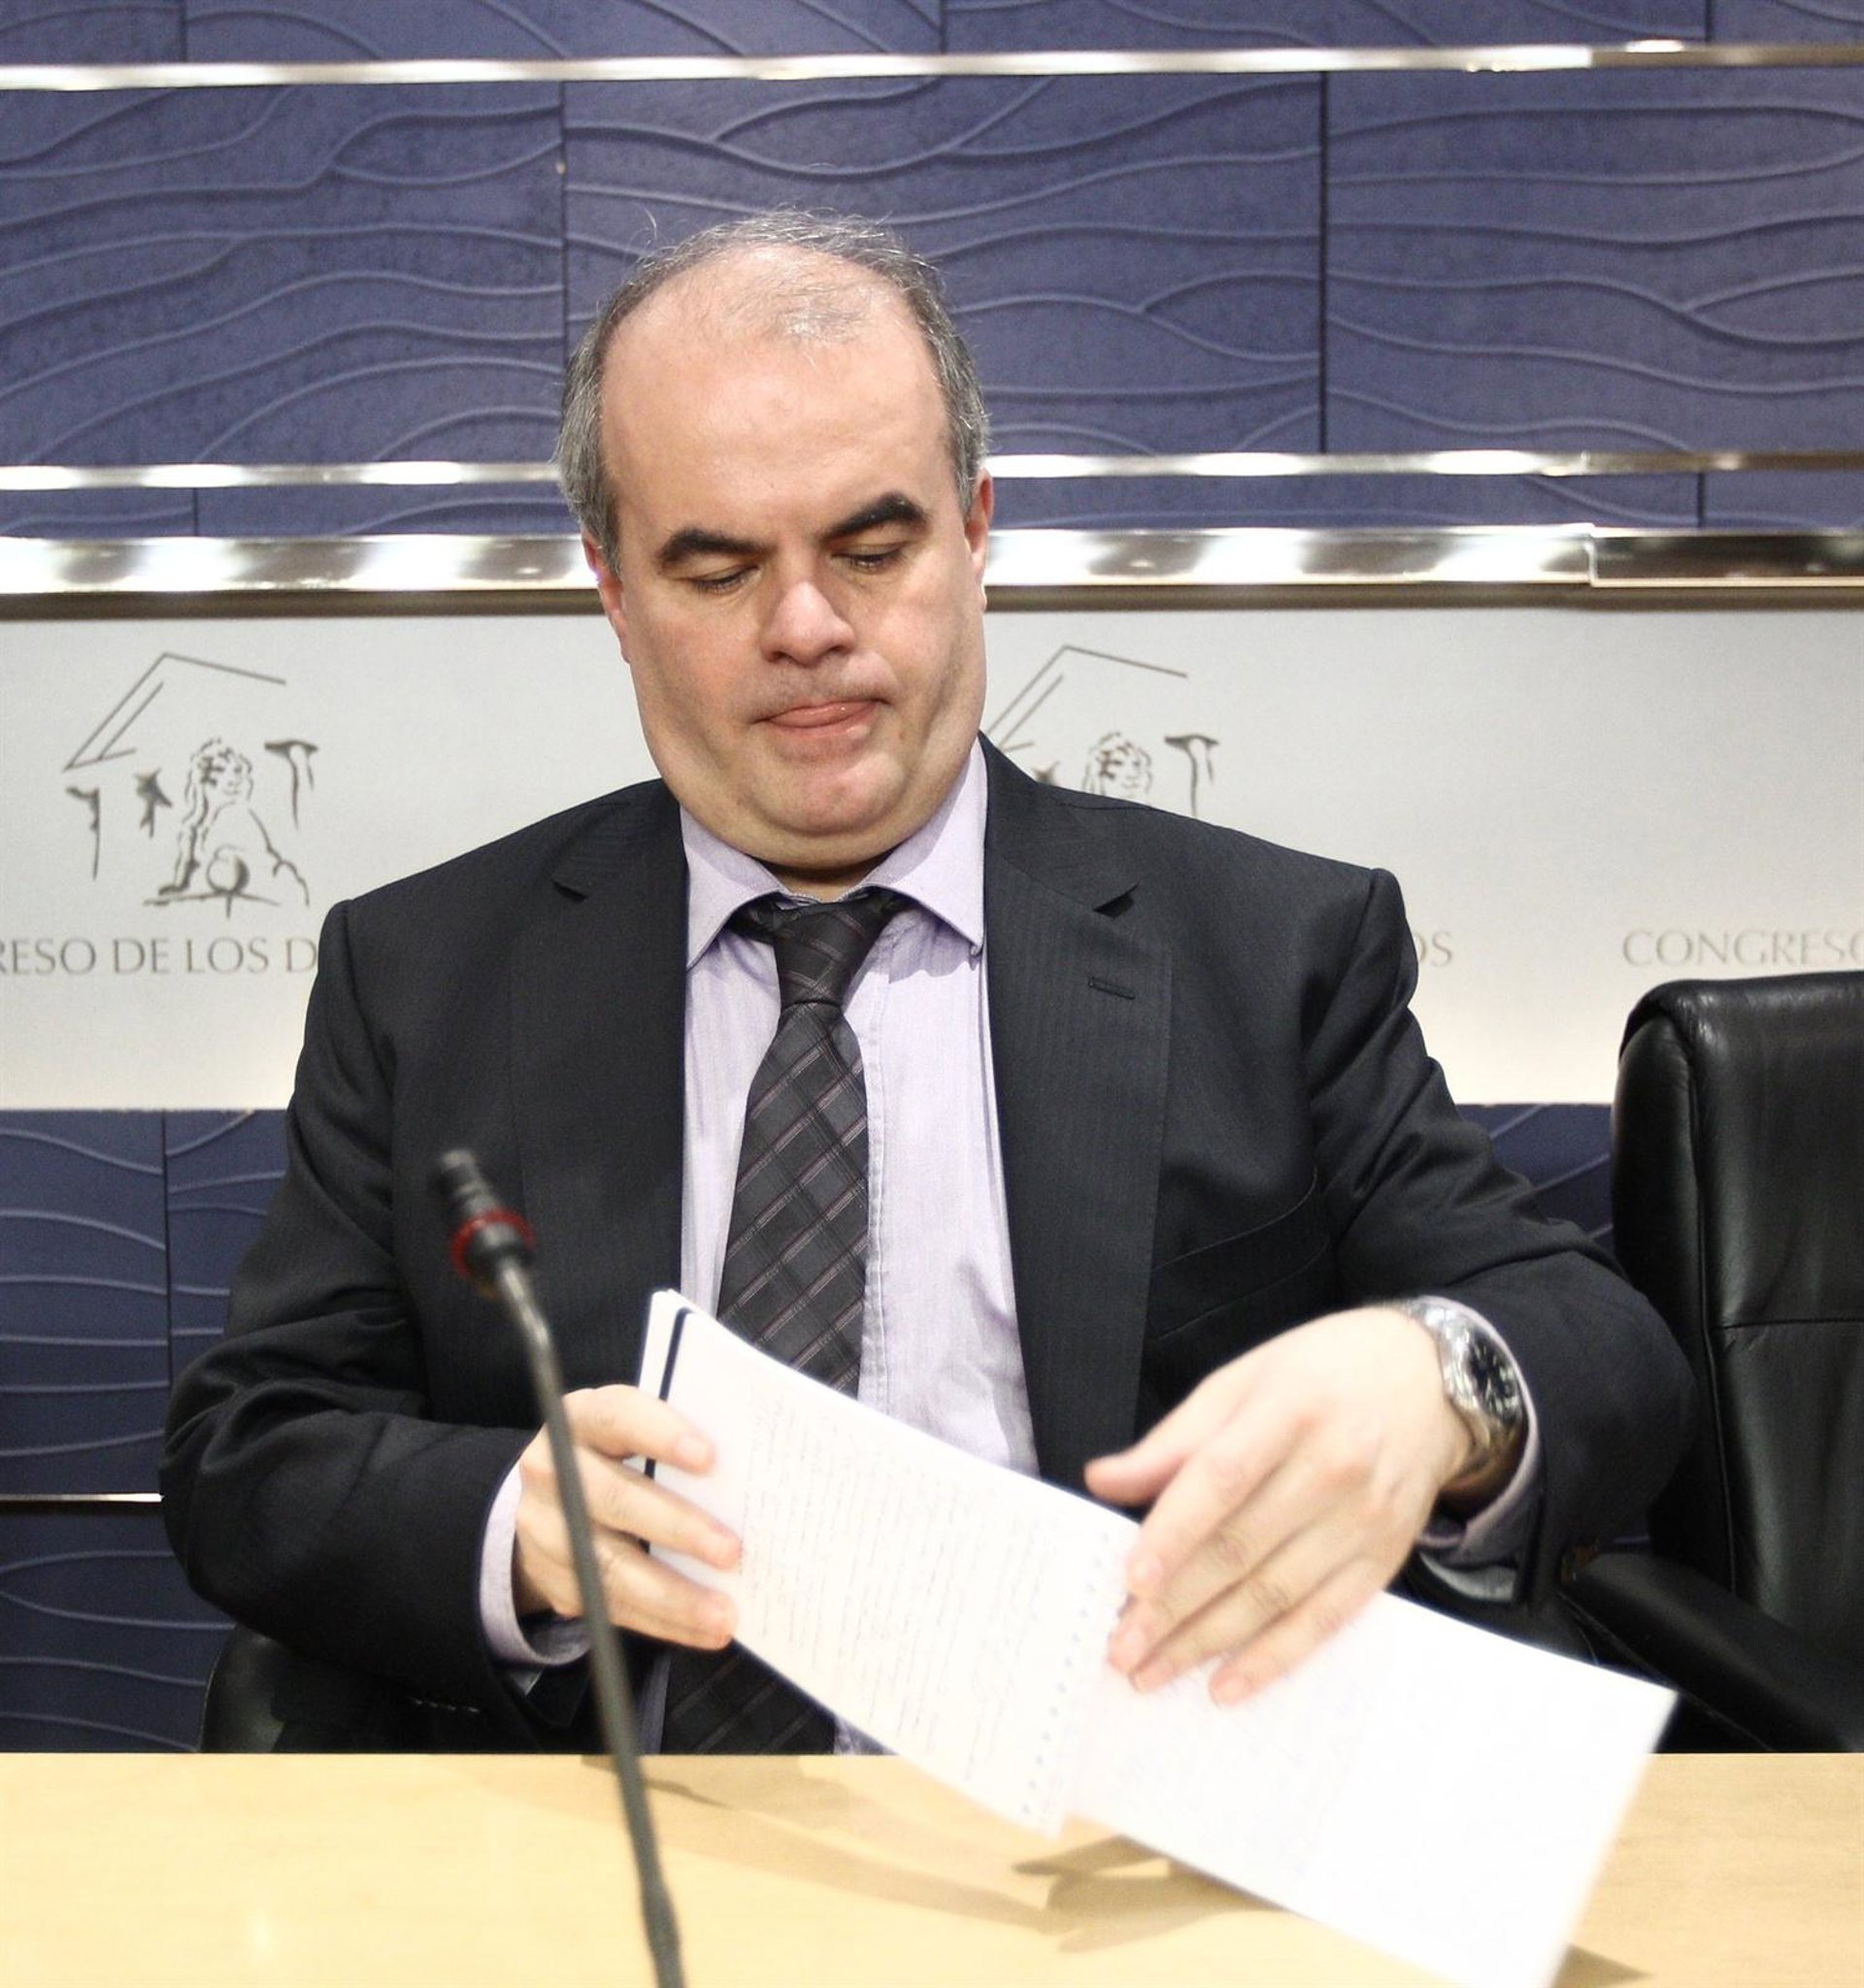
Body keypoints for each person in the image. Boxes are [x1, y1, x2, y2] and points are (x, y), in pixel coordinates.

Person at [161, 213, 1693, 1751]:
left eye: (873, 550)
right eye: (717, 570)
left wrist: (1442, 1384)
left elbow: (1599, 1346)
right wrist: (508, 1519)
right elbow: (252, 1451)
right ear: (613, 591)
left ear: (975, 532)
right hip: (608, 1831)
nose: (807, 628)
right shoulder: (424, 975)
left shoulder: (1269, 951)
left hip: (1111, 1821)